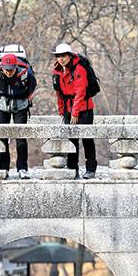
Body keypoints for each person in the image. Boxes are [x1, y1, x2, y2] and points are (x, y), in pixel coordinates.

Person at [0, 49, 37, 179]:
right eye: (6, 69)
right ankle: (4, 168)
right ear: (2, 67)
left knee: (20, 138)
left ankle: (22, 168)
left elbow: (32, 87)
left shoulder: (27, 74)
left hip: (20, 106)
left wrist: (25, 98)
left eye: (11, 69)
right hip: (1, 105)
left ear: (16, 67)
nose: (8, 72)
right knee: (2, 137)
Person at [52, 42, 97, 179]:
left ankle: (91, 169)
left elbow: (80, 92)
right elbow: (59, 93)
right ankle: (73, 168)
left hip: (84, 108)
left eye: (64, 55)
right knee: (71, 140)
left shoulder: (79, 69)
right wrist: (62, 111)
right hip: (68, 109)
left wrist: (75, 112)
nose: (61, 58)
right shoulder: (58, 71)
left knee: (87, 139)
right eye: (58, 56)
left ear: (70, 56)